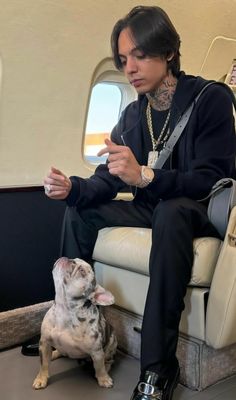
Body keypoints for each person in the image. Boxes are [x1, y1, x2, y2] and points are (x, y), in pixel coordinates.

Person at [43, 6, 236, 400]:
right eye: (123, 59)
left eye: (140, 55)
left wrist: (146, 177)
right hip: (157, 209)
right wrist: (72, 188)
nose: (130, 67)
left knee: (171, 209)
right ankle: (66, 328)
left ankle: (158, 368)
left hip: (196, 209)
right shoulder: (133, 115)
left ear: (167, 51)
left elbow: (213, 178)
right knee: (81, 212)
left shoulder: (210, 98)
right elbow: (105, 178)